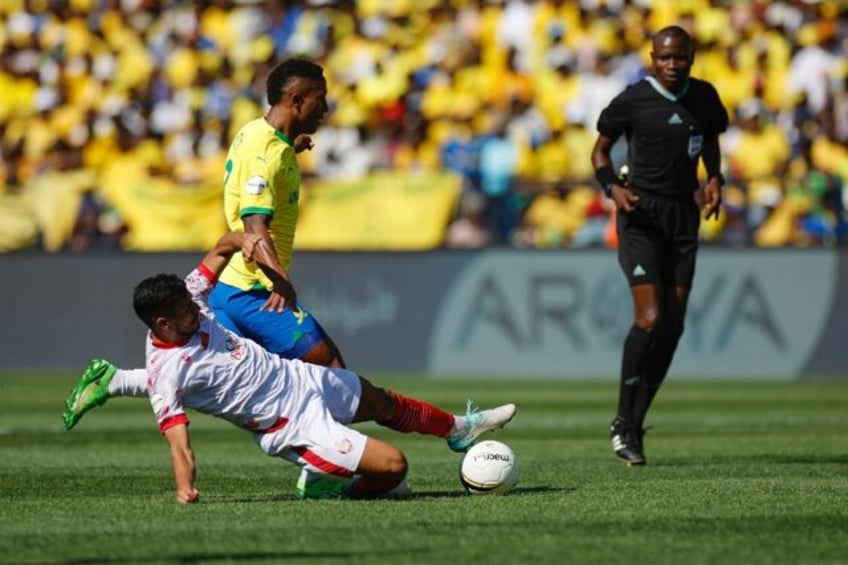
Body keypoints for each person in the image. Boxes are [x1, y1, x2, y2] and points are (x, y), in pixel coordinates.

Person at [63, 59, 348, 431]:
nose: (325, 109)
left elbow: (261, 172)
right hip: (254, 288)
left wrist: (291, 147)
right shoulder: (266, 153)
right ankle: (325, 467)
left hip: (230, 285)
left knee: (220, 378)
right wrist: (280, 280)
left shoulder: (255, 135)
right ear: (295, 100)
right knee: (331, 373)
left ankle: (114, 380)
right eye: (319, 99)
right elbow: (255, 225)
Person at [126, 230, 516, 503]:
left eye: (191, 303)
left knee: (381, 401)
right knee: (395, 467)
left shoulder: (190, 294)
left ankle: (458, 429)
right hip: (292, 425)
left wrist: (241, 240)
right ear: (162, 324)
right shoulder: (167, 371)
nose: (195, 308)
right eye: (185, 311)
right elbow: (179, 442)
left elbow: (220, 248)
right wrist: (185, 489)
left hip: (301, 378)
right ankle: (331, 485)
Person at [590, 26, 728, 466]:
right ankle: (621, 421)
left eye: (680, 58)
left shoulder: (705, 98)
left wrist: (715, 179)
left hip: (683, 219)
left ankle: (634, 424)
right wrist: (612, 188)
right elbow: (599, 152)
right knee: (649, 319)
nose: (672, 65)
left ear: (691, 57)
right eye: (665, 58)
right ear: (652, 58)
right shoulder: (633, 101)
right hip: (640, 217)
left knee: (673, 328)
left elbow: (710, 139)